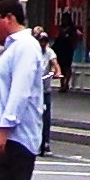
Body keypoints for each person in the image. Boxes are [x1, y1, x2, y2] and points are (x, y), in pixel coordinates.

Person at [0, 0, 46, 180]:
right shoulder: (7, 48)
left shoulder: (26, 46)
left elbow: (20, 91)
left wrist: (4, 130)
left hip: (16, 137)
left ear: (9, 18)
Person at [34, 26, 61, 155]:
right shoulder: (33, 52)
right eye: (41, 41)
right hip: (34, 89)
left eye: (45, 41)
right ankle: (34, 141)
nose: (43, 44)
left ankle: (46, 143)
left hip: (45, 88)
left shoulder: (49, 52)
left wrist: (57, 72)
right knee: (34, 116)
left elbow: (55, 64)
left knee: (46, 117)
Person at [53, 11, 78, 92]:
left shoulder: (72, 29)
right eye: (63, 19)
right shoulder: (60, 28)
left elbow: (74, 39)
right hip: (60, 49)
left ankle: (66, 83)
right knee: (61, 67)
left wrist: (73, 46)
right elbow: (57, 39)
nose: (64, 20)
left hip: (68, 49)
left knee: (67, 66)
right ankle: (61, 84)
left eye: (66, 19)